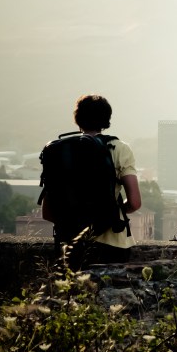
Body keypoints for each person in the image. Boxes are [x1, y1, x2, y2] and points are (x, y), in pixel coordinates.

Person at [41, 94, 141, 268]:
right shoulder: (119, 148)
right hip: (112, 242)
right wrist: (112, 212)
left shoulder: (58, 151)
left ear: (77, 119)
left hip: (70, 243)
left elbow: (47, 213)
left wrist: (74, 221)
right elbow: (134, 202)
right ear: (107, 119)